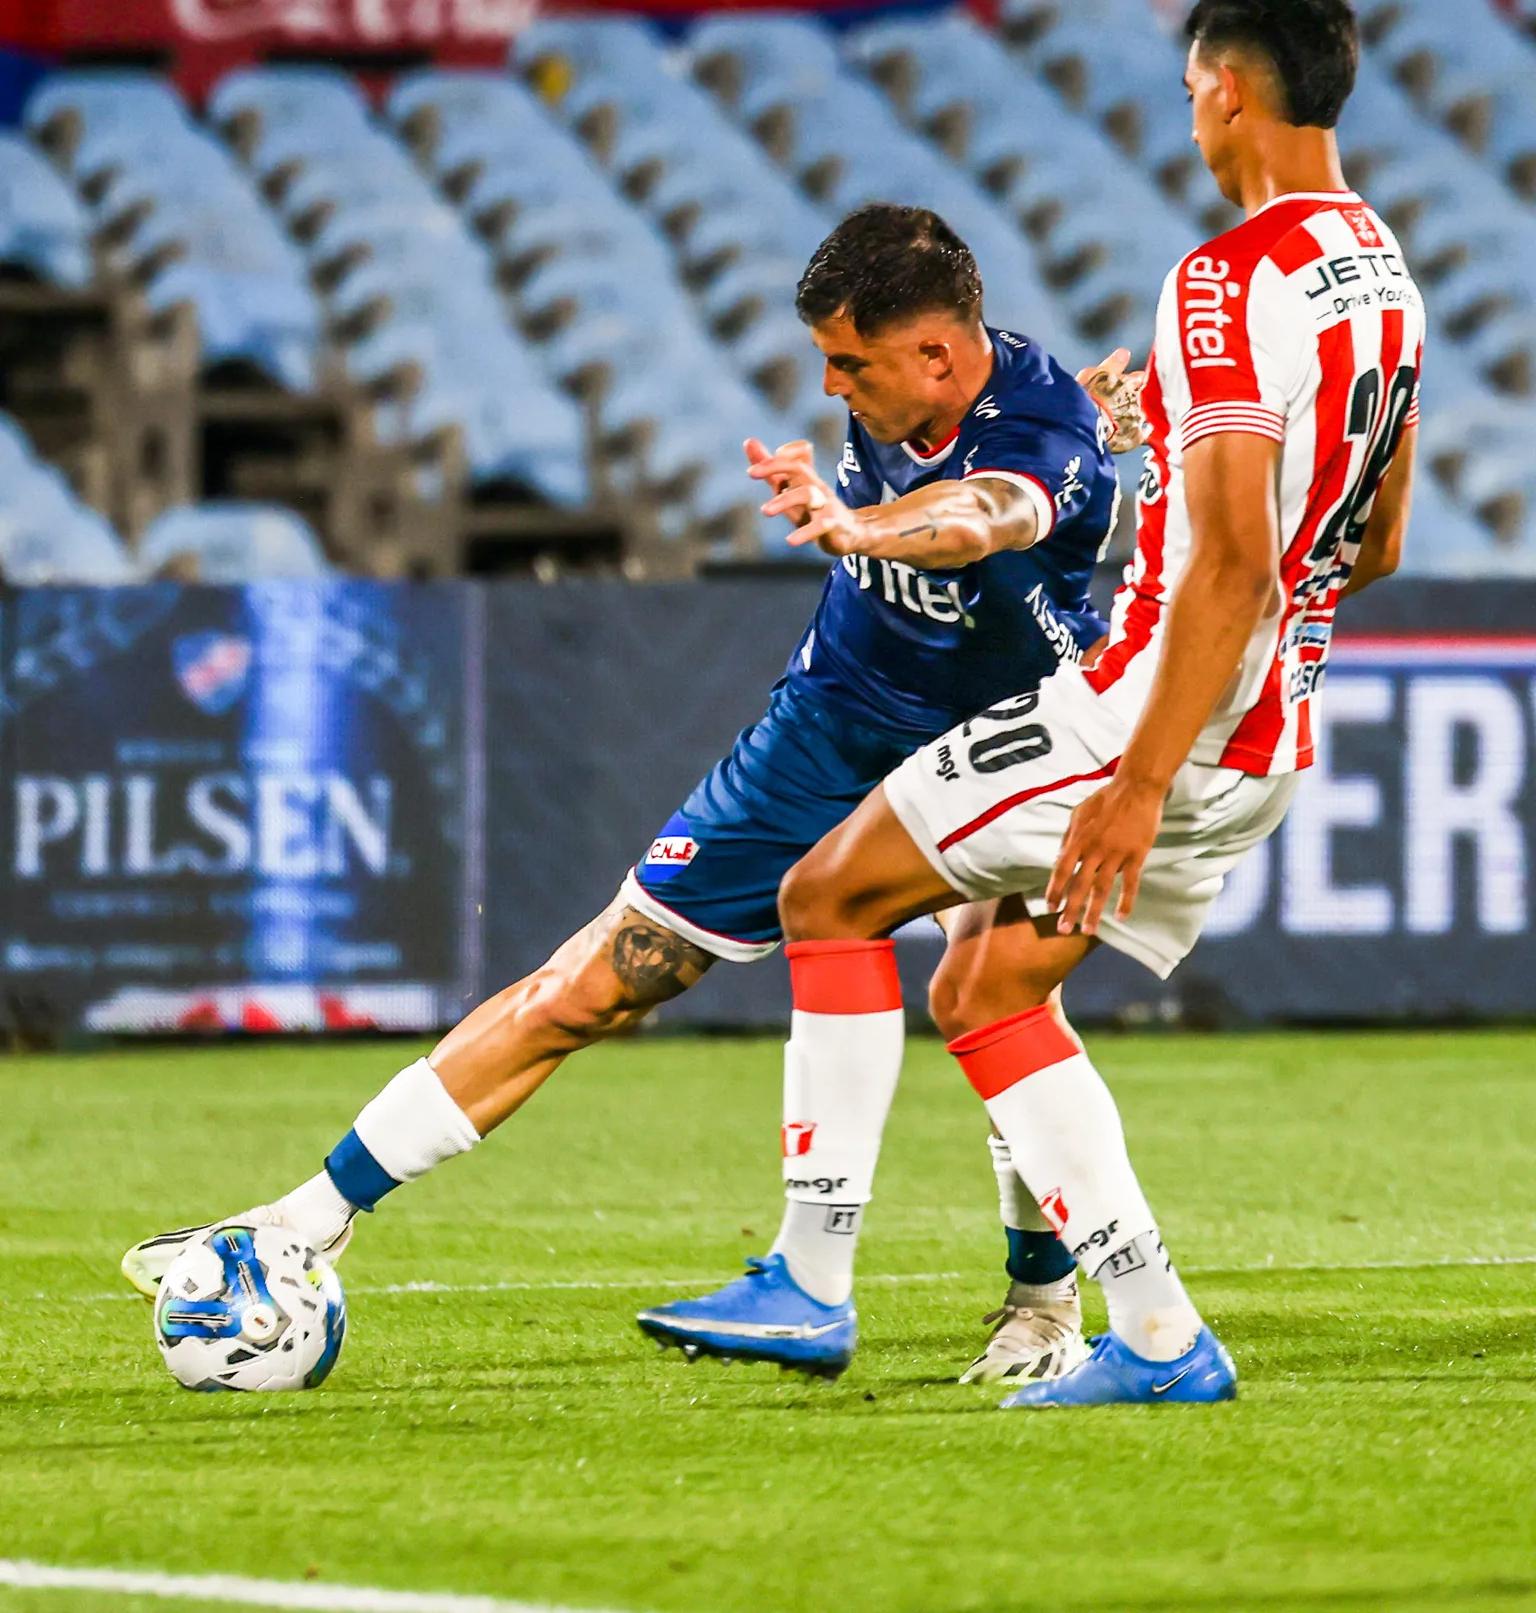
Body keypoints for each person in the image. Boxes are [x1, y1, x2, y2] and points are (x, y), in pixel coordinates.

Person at [122, 202, 1141, 1383]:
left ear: (934, 354)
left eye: (849, 364)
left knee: (996, 1001)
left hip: (1010, 739)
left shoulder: (1041, 437)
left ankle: (1039, 1304)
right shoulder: (951, 396)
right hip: (829, 727)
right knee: (598, 975)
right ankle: (303, 1220)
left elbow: (982, 515)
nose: (830, 386)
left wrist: (857, 524)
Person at [740, 0, 1424, 1407]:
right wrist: (1161, 451)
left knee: (829, 896)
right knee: (988, 986)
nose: (1191, 118)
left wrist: (1138, 775)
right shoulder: (1386, 274)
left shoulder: (1225, 280)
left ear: (1224, 88)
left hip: (1144, 715)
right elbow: (1373, 546)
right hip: (1269, 730)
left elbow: (1228, 564)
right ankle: (1156, 1337)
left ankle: (808, 1277)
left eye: (1190, 92)